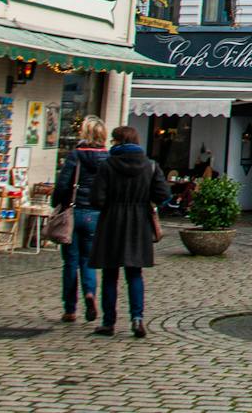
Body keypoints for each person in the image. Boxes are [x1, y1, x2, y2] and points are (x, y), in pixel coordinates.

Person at [89, 125, 169, 338]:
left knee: (110, 274)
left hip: (112, 222)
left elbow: (96, 199)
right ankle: (137, 318)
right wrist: (145, 202)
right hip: (138, 222)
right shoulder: (150, 165)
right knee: (134, 273)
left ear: (117, 141)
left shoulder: (107, 166)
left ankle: (109, 322)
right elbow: (163, 194)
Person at [52, 116, 108, 323]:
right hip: (95, 213)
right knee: (88, 260)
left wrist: (56, 204)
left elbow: (63, 184)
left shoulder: (76, 155)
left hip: (73, 213)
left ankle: (70, 308)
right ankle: (90, 293)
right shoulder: (107, 157)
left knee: (70, 261)